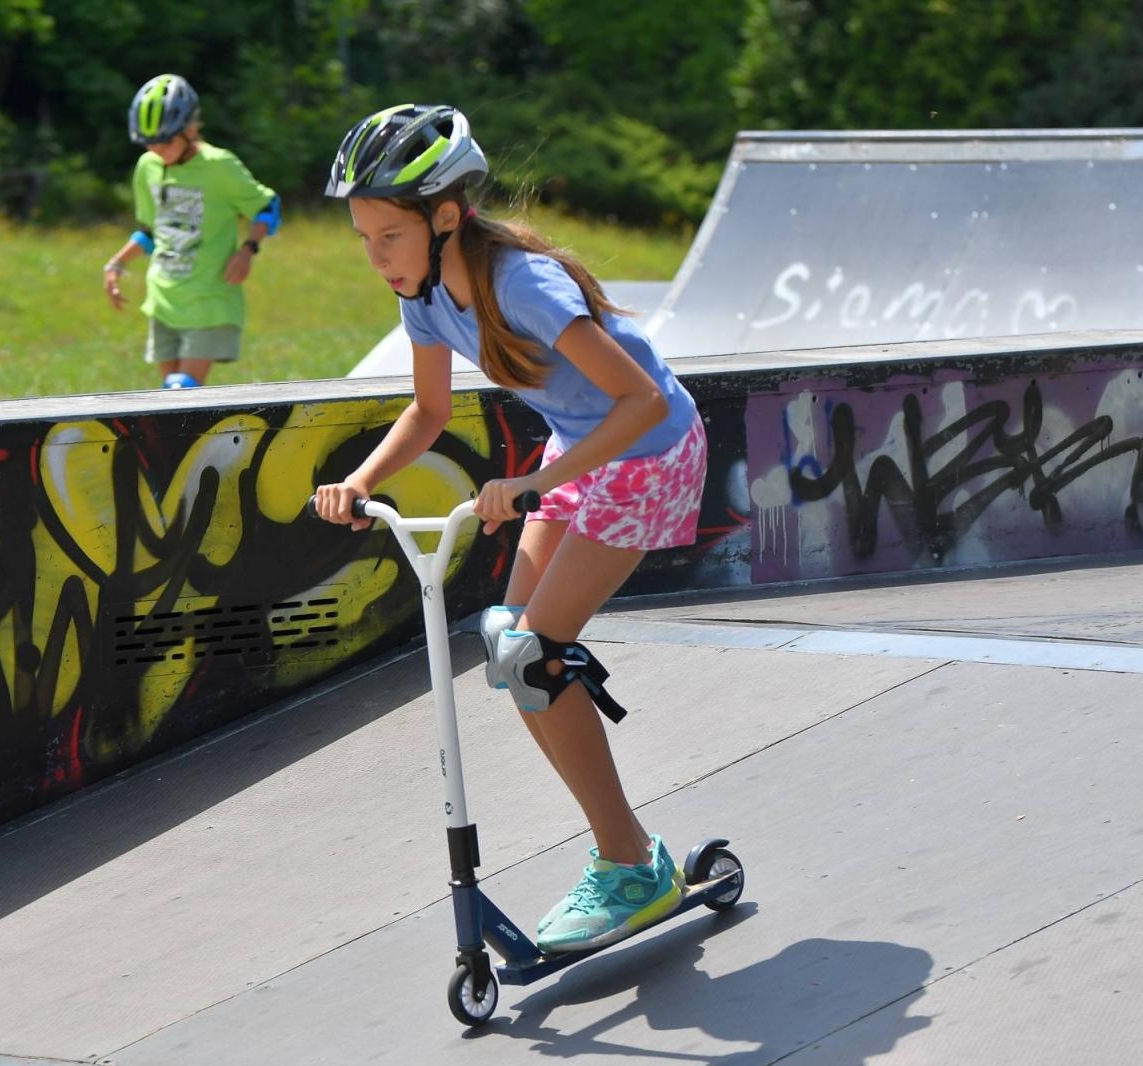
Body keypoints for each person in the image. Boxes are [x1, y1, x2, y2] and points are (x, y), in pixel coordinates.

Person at [312, 104, 709, 954]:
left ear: (445, 216)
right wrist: (358, 481)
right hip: (581, 450)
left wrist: (533, 484)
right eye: (364, 238)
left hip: (649, 452)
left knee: (536, 653)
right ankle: (631, 854)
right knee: (511, 649)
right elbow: (426, 413)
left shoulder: (522, 285)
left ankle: (629, 862)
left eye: (389, 235)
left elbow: (638, 400)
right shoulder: (425, 296)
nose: (376, 257)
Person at [102, 74, 281, 388]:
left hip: (210, 298)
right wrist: (117, 264)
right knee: (170, 402)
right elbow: (150, 231)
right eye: (150, 142)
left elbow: (267, 207)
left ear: (190, 127)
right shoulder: (147, 167)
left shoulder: (220, 166)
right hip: (164, 298)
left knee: (183, 389)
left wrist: (248, 249)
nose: (158, 150)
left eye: (166, 140)